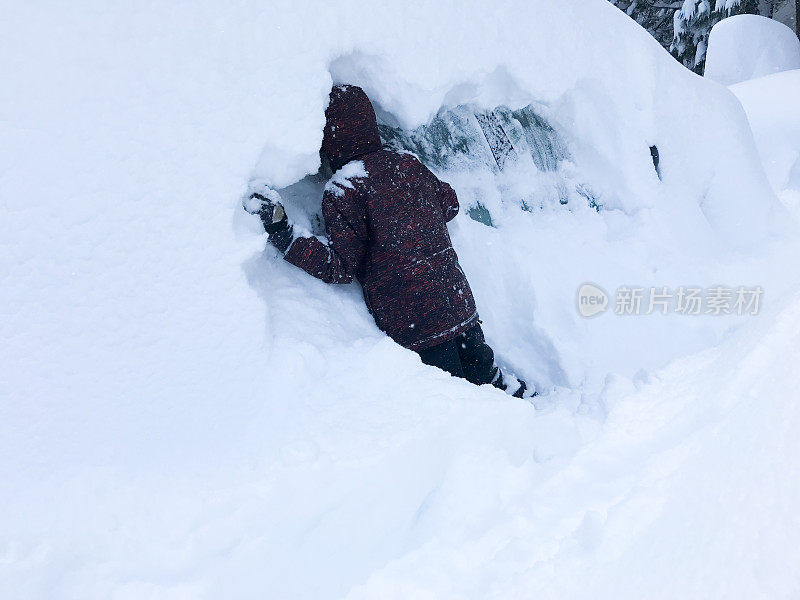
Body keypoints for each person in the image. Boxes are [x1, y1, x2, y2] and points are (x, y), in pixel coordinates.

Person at [247, 84, 531, 398]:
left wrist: (285, 236)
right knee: (485, 375)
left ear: (328, 139)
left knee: (455, 398)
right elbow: (450, 203)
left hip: (416, 322)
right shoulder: (408, 164)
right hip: (457, 303)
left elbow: (341, 266)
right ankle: (526, 406)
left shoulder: (345, 189)